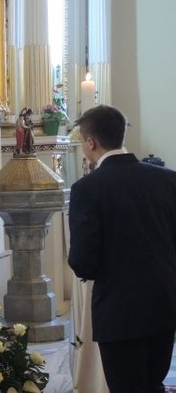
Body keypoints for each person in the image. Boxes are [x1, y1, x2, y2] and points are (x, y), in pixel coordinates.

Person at [68, 105, 176, 393]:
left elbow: (82, 260)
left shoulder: (87, 189)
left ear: (91, 142)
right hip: (164, 306)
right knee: (153, 384)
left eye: (83, 143)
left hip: (119, 314)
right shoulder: (168, 180)